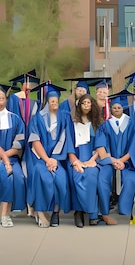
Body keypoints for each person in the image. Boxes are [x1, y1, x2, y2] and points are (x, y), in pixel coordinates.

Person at [28, 88, 72, 227]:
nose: (54, 103)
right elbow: (35, 141)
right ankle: (40, 212)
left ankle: (55, 212)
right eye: (51, 100)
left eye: (56, 101)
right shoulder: (38, 118)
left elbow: (65, 138)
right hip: (40, 158)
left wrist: (54, 159)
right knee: (43, 177)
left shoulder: (64, 116)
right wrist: (47, 159)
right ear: (47, 101)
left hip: (58, 157)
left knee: (61, 179)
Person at [95, 92, 135, 224]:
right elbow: (101, 145)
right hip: (109, 161)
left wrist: (122, 161)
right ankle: (103, 210)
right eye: (114, 107)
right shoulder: (104, 126)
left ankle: (124, 208)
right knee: (103, 179)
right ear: (110, 109)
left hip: (128, 162)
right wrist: (113, 161)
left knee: (131, 179)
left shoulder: (133, 125)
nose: (116, 109)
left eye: (119, 107)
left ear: (123, 108)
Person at [67, 94, 103, 228]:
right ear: (79, 105)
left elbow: (101, 144)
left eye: (89, 103)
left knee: (92, 178)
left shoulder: (97, 123)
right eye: (84, 103)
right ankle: (79, 212)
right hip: (76, 158)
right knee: (77, 177)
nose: (87, 105)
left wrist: (91, 161)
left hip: (92, 160)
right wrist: (75, 161)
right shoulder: (72, 123)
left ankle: (92, 213)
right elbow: (69, 144)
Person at [0, 84, 26, 227]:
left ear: (6, 100)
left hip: (12, 159)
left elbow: (19, 143)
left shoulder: (15, 119)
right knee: (6, 176)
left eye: (2, 98)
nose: (0, 100)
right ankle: (4, 215)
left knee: (18, 178)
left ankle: (7, 212)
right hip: (5, 160)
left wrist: (5, 158)